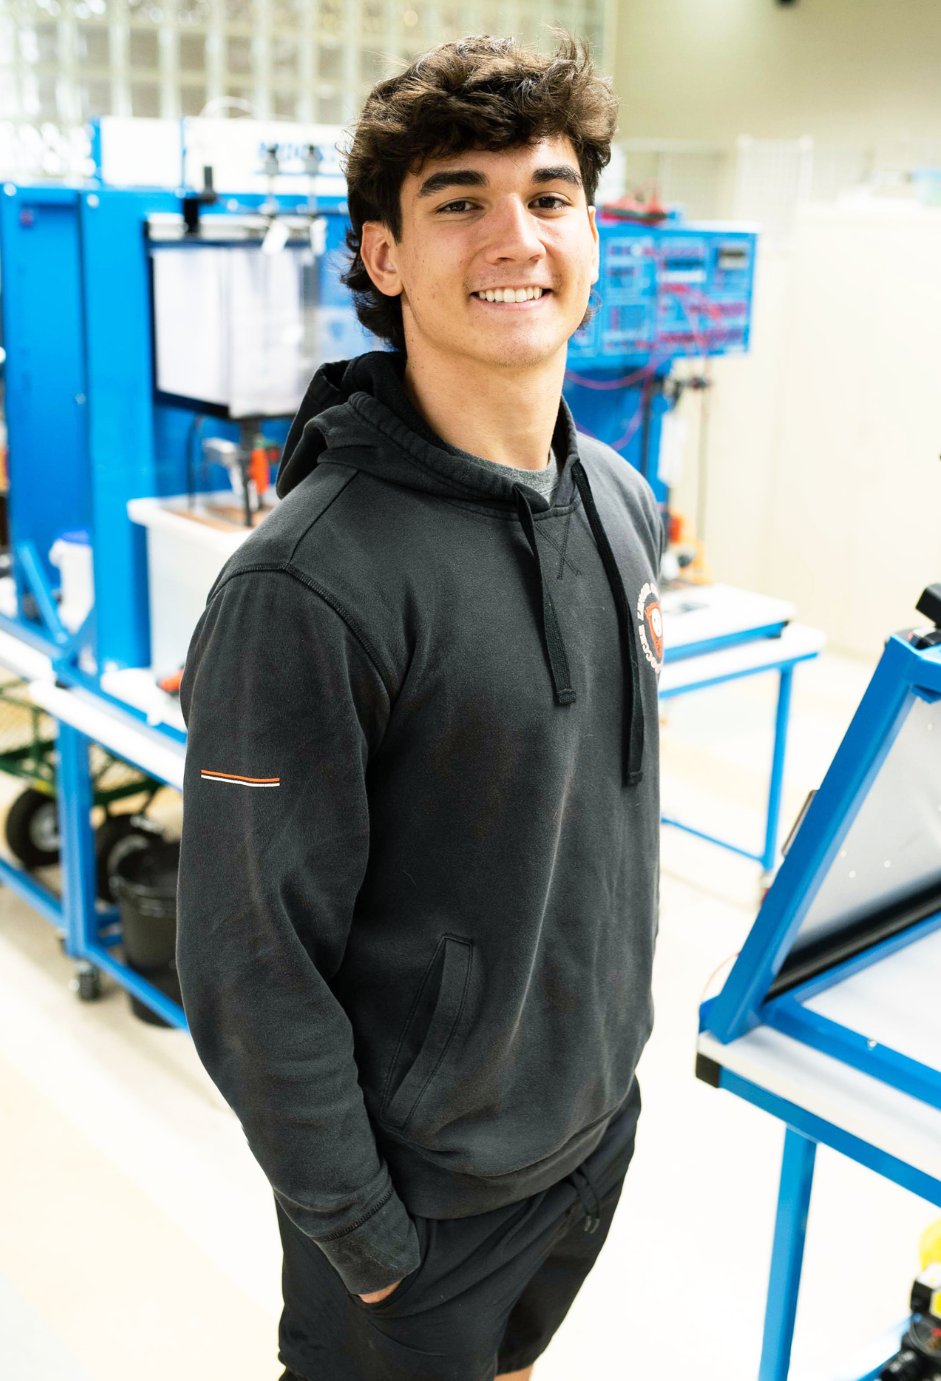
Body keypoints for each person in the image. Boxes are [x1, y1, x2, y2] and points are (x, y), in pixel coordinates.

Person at [176, 32, 664, 1381]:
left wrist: (609, 1084)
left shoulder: (618, 502)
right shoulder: (307, 587)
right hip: (419, 1214)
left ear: (591, 232)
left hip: (585, 1132)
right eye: (460, 200)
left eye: (551, 195)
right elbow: (248, 967)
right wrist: (369, 1239)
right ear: (384, 257)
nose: (517, 233)